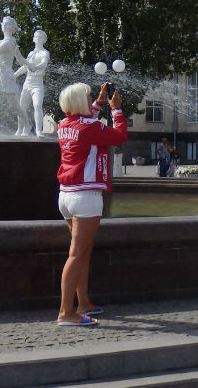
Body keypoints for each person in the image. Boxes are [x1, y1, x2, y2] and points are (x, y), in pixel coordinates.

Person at [56, 82, 127, 326]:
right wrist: (116, 110)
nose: (90, 101)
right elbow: (120, 136)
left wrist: (98, 103)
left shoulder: (64, 125)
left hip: (66, 195)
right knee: (76, 255)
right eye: (87, 98)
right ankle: (66, 312)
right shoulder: (90, 127)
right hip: (85, 197)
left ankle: (83, 303)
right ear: (78, 102)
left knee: (81, 253)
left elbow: (87, 124)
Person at [13, 29, 51, 137]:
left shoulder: (45, 52)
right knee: (21, 107)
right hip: (27, 83)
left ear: (45, 40)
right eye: (36, 37)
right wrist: (14, 75)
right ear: (34, 39)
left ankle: (39, 130)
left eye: (41, 37)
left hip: (37, 83)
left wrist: (35, 67)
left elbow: (43, 64)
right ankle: (20, 129)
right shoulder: (31, 53)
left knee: (37, 105)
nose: (38, 39)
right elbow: (25, 66)